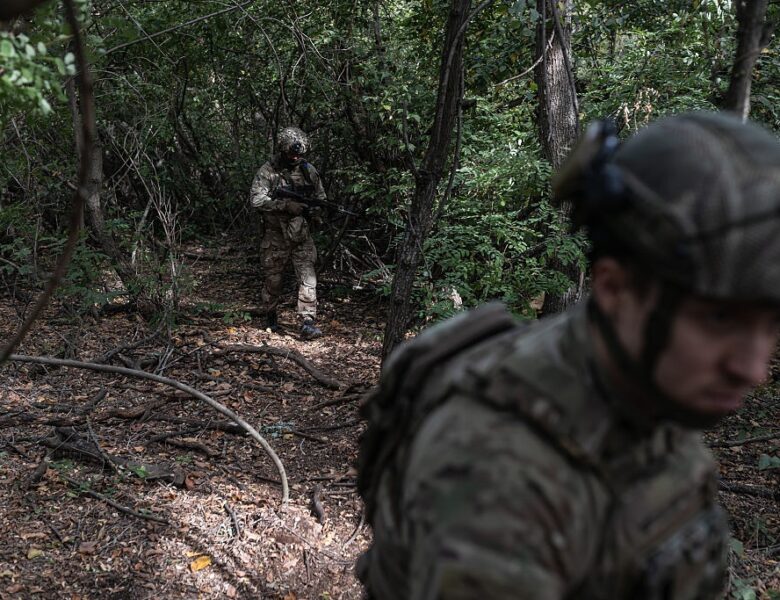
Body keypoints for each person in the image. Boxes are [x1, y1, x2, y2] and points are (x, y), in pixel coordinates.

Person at [356, 112, 780, 599]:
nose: (753, 368)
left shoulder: (647, 385)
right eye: (719, 319)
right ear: (614, 289)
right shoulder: (502, 474)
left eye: (773, 324)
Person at [250, 126, 327, 339]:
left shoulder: (308, 171)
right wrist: (284, 205)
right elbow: (256, 200)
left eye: (298, 155)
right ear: (282, 150)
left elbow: (320, 197)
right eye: (291, 154)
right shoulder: (268, 171)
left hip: (300, 234)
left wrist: (314, 211)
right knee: (273, 280)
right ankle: (270, 316)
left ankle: (308, 321)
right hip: (275, 235)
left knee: (308, 277)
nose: (295, 158)